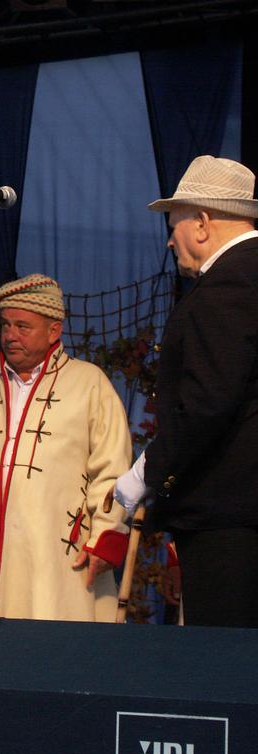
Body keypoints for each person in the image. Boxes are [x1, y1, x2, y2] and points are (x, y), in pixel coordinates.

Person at [0, 274, 132, 729]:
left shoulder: (89, 385)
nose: (10, 335)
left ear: (54, 329)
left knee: (55, 670)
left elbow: (112, 469)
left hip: (59, 557)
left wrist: (106, 535)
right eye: (6, 325)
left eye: (23, 326)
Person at [114, 155, 258, 627]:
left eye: (172, 225)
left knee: (227, 657)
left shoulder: (228, 285)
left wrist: (149, 471)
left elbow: (209, 402)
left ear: (201, 222)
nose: (170, 240)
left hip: (231, 517)